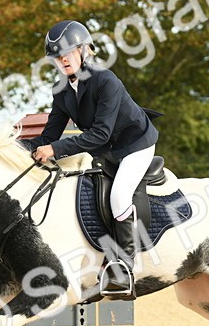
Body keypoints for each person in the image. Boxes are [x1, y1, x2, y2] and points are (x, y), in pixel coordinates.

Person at [23, 20, 159, 297]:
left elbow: (99, 133)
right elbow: (49, 135)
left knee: (120, 195)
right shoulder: (60, 90)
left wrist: (56, 150)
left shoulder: (105, 80)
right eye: (56, 57)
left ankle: (124, 266)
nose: (62, 60)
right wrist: (14, 148)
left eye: (68, 53)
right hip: (107, 151)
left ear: (84, 50)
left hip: (135, 145)